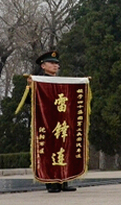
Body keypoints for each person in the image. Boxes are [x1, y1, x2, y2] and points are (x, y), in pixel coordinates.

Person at [33, 51, 77, 192]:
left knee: (63, 150)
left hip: (62, 123)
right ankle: (51, 183)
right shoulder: (38, 82)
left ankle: (64, 181)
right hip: (46, 123)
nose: (55, 66)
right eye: (52, 63)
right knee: (48, 152)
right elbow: (30, 101)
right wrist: (31, 87)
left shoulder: (62, 82)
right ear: (43, 66)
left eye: (57, 63)